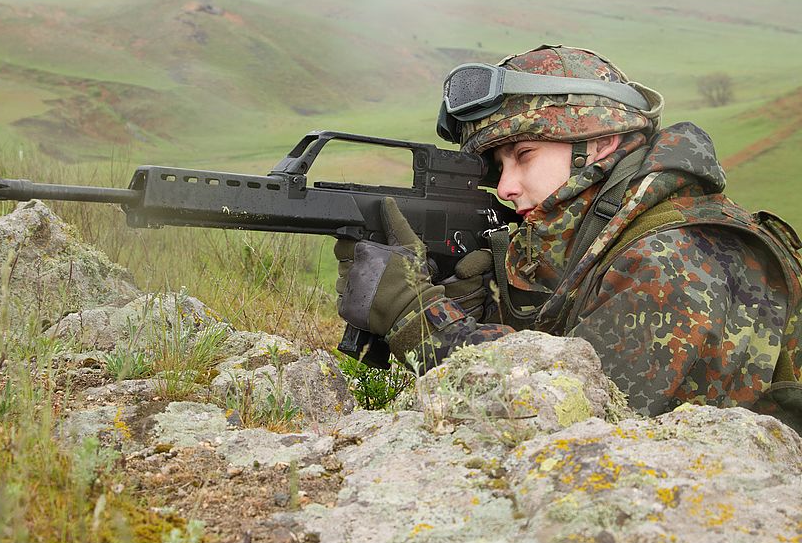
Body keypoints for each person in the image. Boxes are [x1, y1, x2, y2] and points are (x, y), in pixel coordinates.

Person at [335, 44, 802, 433]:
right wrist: (486, 309)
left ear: (599, 144)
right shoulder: (602, 236)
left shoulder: (674, 259)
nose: (505, 187)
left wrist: (420, 319)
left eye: (525, 155)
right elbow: (573, 353)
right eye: (499, 166)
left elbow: (564, 418)